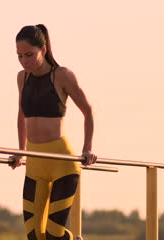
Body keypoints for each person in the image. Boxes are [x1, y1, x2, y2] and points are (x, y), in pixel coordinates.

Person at [8, 24, 97, 240]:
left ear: (44, 49)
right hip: (35, 162)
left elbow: (88, 111)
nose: (24, 61)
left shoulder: (62, 75)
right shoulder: (22, 78)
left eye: (29, 54)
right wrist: (21, 152)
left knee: (53, 234)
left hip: (62, 162)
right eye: (19, 56)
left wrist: (87, 149)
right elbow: (21, 116)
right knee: (34, 235)